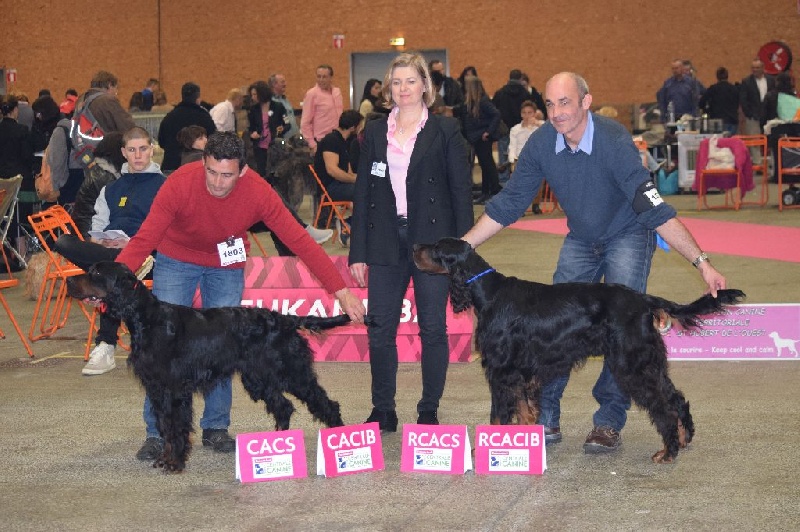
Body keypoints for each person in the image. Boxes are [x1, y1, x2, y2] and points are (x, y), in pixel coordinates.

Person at [461, 72, 728, 454]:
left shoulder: (614, 142)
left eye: (565, 102)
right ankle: (545, 419)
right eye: (550, 104)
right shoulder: (542, 144)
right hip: (582, 238)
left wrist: (702, 263)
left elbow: (655, 209)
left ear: (586, 101)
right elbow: (508, 204)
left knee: (622, 335)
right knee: (550, 329)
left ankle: (607, 422)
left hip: (627, 234)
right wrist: (463, 246)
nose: (556, 113)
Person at [114, 131, 365, 460]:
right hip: (177, 258)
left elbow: (301, 242)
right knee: (161, 353)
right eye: (212, 172)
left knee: (224, 348)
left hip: (225, 263)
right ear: (203, 161)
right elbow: (144, 239)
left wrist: (341, 291)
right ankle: (157, 434)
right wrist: (112, 281)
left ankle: (216, 427)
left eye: (227, 175)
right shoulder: (178, 183)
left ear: (243, 171)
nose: (218, 183)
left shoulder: (259, 191)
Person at [348, 52, 473, 432]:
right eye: (396, 82)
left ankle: (428, 409)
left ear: (425, 86)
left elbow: (460, 191)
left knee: (433, 328)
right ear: (390, 88)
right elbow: (364, 190)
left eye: (410, 81)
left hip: (432, 243)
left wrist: (462, 250)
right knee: (380, 327)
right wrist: (357, 251)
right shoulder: (373, 130)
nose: (403, 89)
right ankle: (382, 409)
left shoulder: (445, 130)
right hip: (385, 240)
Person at [55, 126, 165, 375]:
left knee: (109, 278)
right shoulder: (110, 189)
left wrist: (133, 245)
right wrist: (101, 241)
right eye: (132, 150)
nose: (138, 155)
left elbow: (167, 231)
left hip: (148, 258)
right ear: (124, 153)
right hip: (112, 258)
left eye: (143, 149)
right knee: (64, 242)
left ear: (152, 150)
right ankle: (105, 339)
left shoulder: (164, 186)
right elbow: (97, 226)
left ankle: (105, 344)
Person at [313, 109, 362, 246]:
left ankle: (350, 224)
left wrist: (360, 179)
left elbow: (349, 171)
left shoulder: (344, 142)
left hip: (339, 185)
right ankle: (348, 225)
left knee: (371, 189)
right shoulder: (331, 141)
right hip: (330, 188)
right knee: (365, 191)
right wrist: (355, 180)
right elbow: (332, 170)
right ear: (353, 127)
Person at [70, 132, 126, 237]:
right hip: (91, 233)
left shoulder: (103, 170)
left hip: (86, 227)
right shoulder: (103, 176)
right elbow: (119, 209)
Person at [456, 75, 501, 205]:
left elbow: (496, 114)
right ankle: (486, 192)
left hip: (482, 137)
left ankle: (494, 191)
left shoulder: (482, 101)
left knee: (488, 165)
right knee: (485, 165)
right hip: (477, 137)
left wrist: (488, 131)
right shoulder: (473, 102)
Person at [157, 82, 216, 174]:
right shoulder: (204, 117)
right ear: (198, 98)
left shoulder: (170, 117)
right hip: (197, 169)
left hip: (171, 166)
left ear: (182, 96)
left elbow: (161, 142)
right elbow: (213, 141)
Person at [492, 69, 531, 184]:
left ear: (509, 78)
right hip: (521, 130)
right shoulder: (525, 93)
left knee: (504, 157)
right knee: (519, 155)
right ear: (520, 79)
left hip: (504, 130)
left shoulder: (500, 93)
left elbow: (494, 110)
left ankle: (503, 181)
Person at [247, 81, 289, 180]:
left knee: (276, 174)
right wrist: (252, 134)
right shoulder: (253, 109)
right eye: (252, 94)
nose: (253, 97)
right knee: (262, 173)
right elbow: (251, 128)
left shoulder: (278, 107)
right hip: (260, 147)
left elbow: (287, 124)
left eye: (255, 94)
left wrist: (282, 128)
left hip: (275, 147)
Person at [300, 64, 343, 154]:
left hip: (337, 138)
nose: (321, 80)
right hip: (320, 141)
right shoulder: (312, 94)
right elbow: (305, 122)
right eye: (319, 76)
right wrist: (313, 144)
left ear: (331, 78)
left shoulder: (337, 92)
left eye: (324, 77)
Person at [699, 67, 740, 136]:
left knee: (719, 144)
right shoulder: (734, 89)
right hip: (732, 121)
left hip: (716, 121)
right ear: (727, 76)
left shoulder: (713, 89)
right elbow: (738, 103)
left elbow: (701, 103)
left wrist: (707, 110)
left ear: (717, 77)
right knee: (730, 143)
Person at [740, 59, 775, 137]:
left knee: (770, 140)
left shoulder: (771, 80)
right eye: (753, 68)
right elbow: (743, 100)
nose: (754, 70)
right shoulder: (746, 81)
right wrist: (749, 114)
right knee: (754, 141)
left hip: (769, 117)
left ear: (763, 68)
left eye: (757, 68)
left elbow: (774, 96)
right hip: (753, 118)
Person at [268, 73, 300, 139]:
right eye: (282, 82)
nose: (285, 84)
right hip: (282, 141)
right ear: (274, 84)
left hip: (294, 140)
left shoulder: (285, 100)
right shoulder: (270, 103)